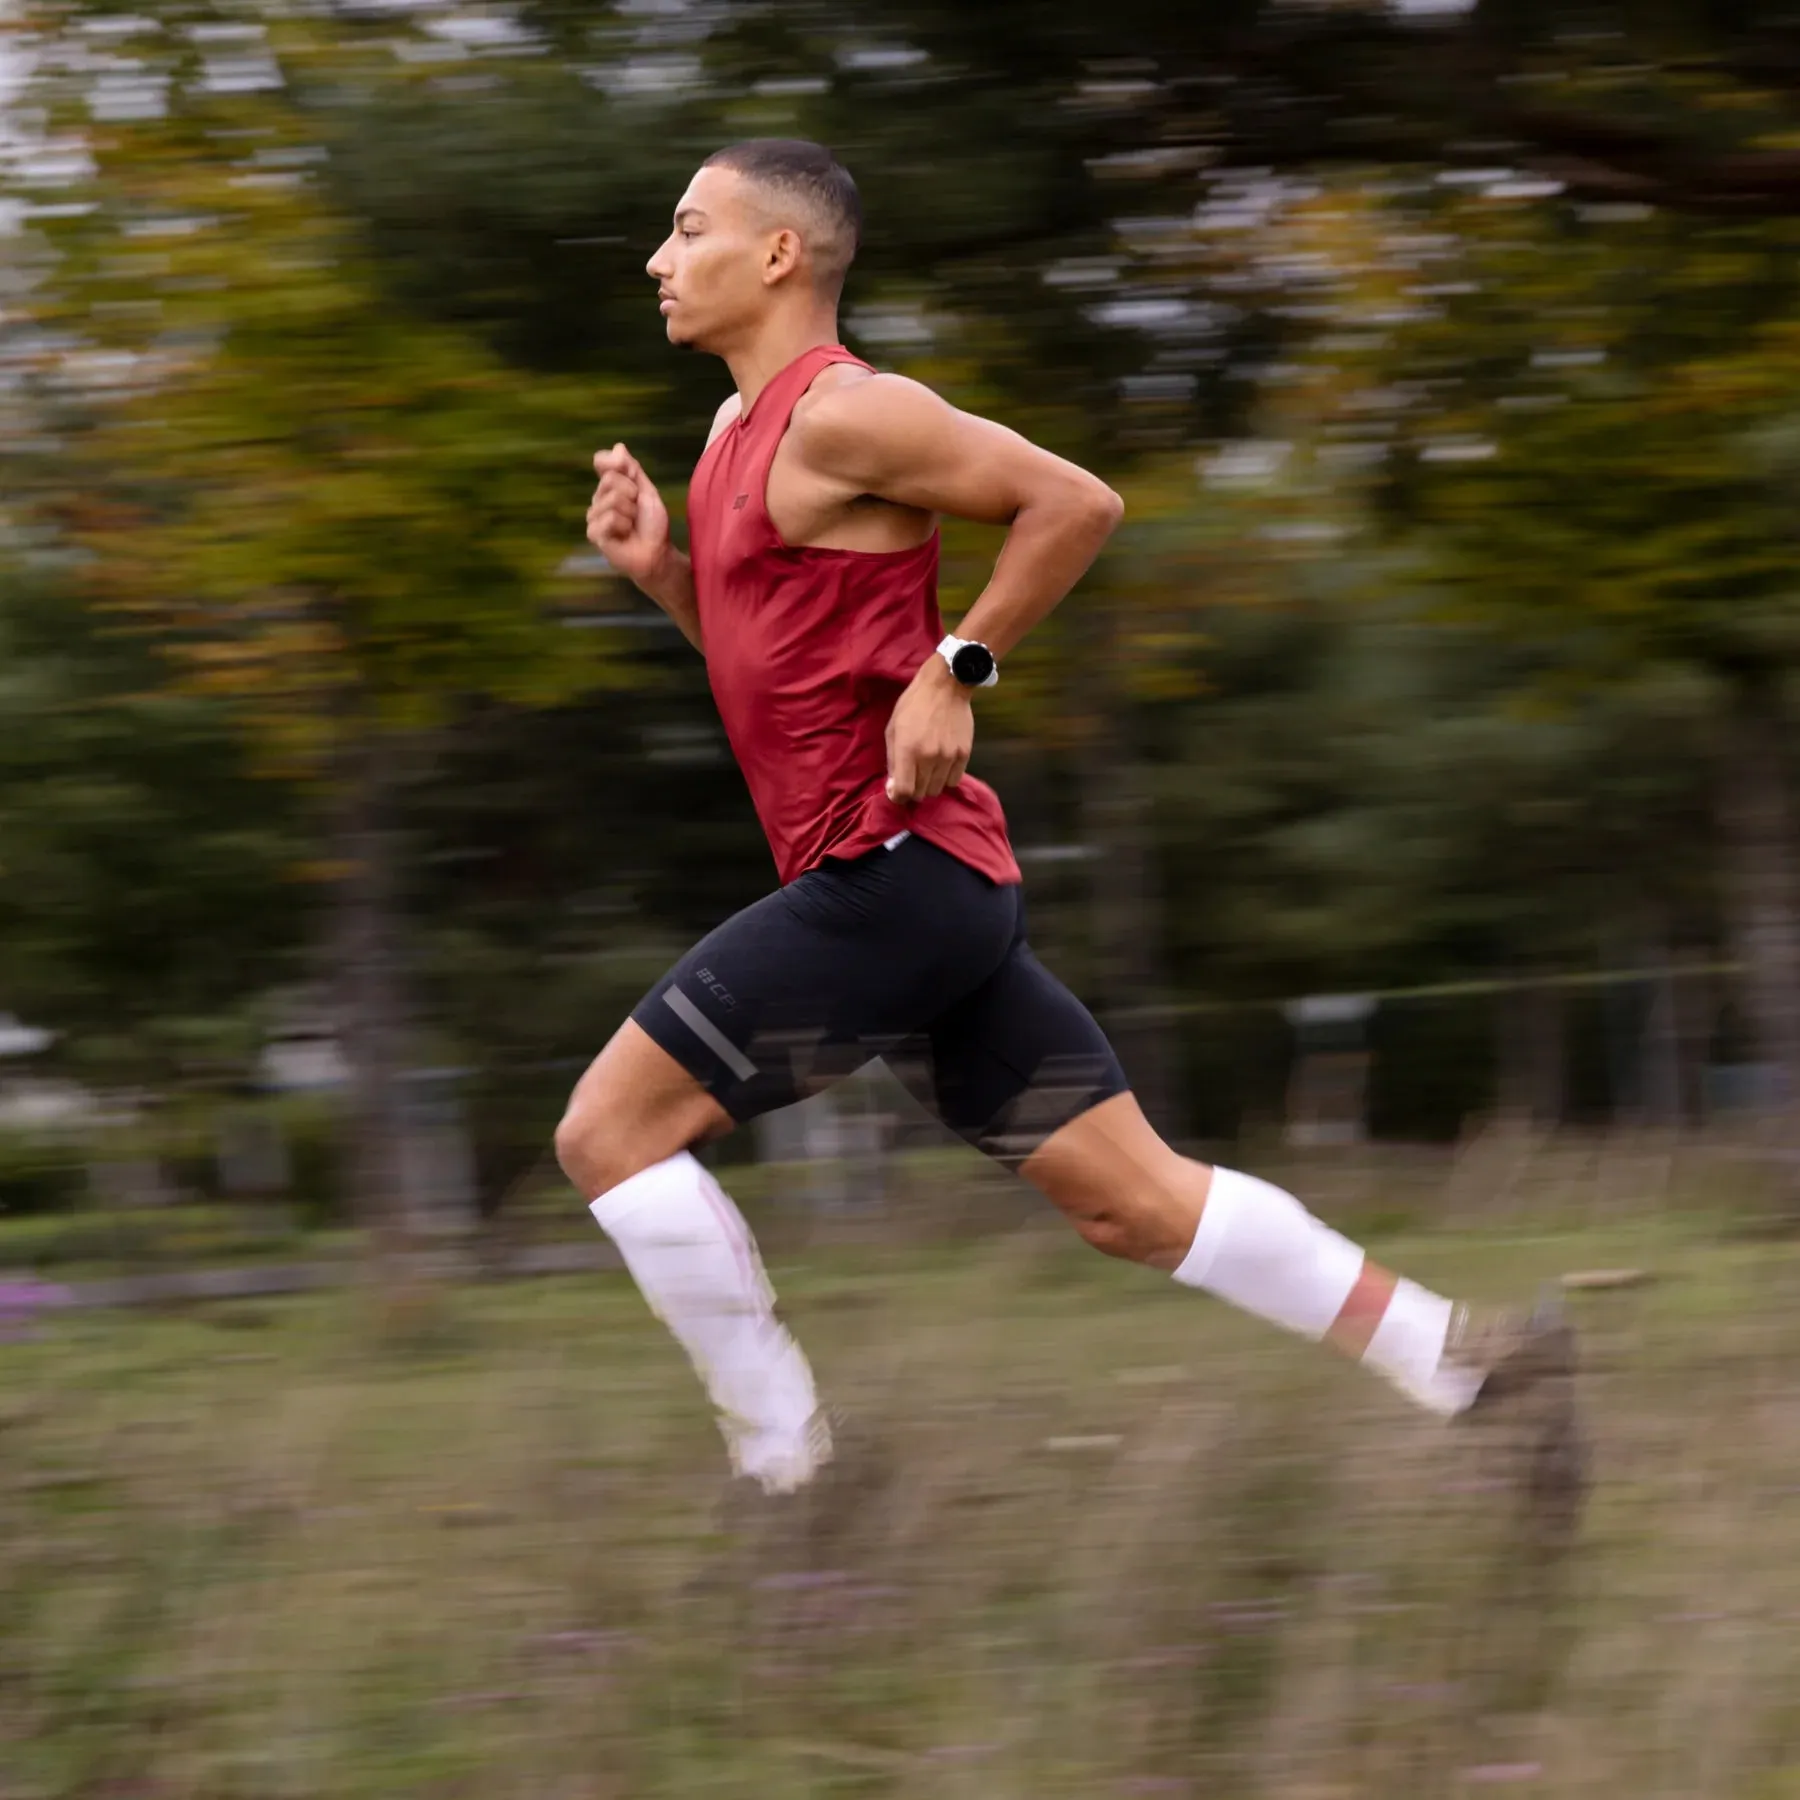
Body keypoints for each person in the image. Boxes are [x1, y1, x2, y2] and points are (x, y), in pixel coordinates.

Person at [561, 138, 1583, 1516]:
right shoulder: (735, 440)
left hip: (893, 883)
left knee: (607, 1135)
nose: (658, 259)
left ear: (780, 254)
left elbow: (1076, 501)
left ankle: (792, 1481)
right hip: (926, 902)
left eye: (687, 230)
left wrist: (957, 666)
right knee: (1136, 1204)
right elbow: (768, 666)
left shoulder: (844, 413)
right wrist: (664, 575)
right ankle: (1483, 1370)